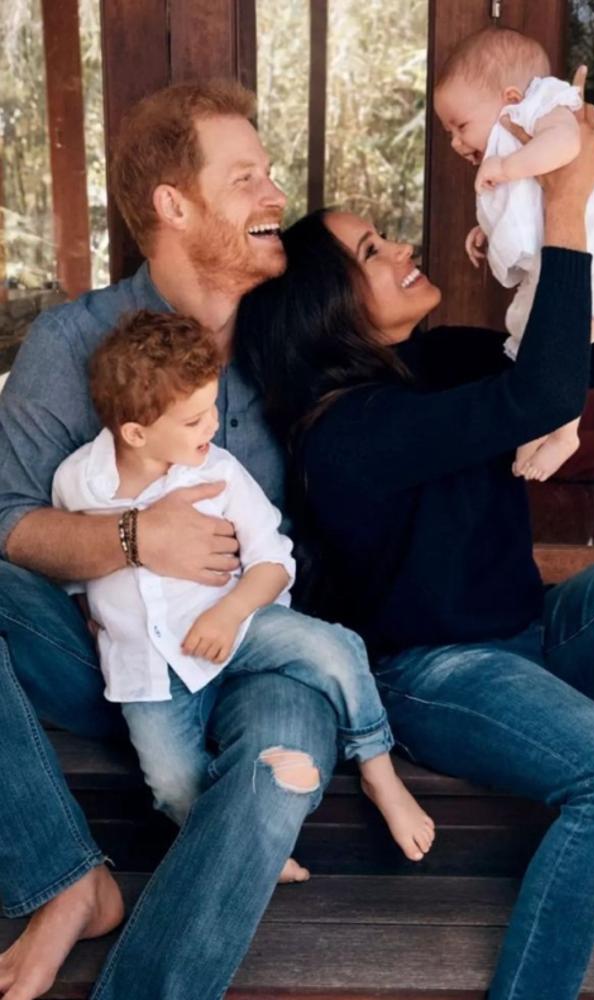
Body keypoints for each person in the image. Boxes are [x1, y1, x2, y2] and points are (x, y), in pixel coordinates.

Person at [235, 97, 594, 1000]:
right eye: (372, 253)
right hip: (440, 677)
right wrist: (567, 206)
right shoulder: (344, 434)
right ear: (324, 307)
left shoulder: (438, 362)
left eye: (386, 237)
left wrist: (591, 198)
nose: (401, 251)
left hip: (534, 641)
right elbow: (538, 398)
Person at [0, 80, 342, 1000]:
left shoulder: (294, 335)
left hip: (264, 650)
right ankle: (66, 879)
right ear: (172, 204)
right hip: (110, 658)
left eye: (268, 175)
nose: (275, 196)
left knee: (278, 768)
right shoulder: (71, 344)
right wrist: (134, 535)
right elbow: (6, 525)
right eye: (246, 180)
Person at [52, 309, 434, 862]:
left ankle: (378, 769)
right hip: (149, 669)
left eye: (212, 408)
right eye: (193, 420)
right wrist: (91, 611)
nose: (211, 426)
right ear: (136, 432)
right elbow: (73, 562)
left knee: (336, 649)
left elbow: (274, 562)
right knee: (170, 781)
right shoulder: (78, 482)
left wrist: (228, 614)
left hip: (241, 621)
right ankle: (239, 843)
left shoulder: (220, 473)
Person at [434, 28, 594, 482]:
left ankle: (564, 432)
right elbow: (526, 208)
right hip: (554, 263)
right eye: (447, 131)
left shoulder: (542, 107)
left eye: (460, 125)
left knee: (561, 348)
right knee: (536, 349)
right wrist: (487, 230)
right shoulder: (513, 144)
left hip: (589, 260)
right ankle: (537, 428)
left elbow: (568, 145)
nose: (455, 142)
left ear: (510, 97)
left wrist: (508, 167)